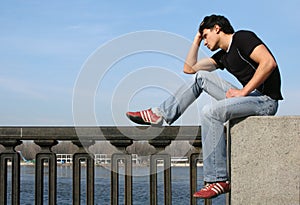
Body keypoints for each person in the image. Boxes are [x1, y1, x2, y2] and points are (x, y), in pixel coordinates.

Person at [126, 14, 283, 199]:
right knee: (201, 77)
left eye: (205, 35)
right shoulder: (223, 56)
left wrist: (243, 92)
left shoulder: (243, 37)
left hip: (265, 101)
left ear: (217, 28)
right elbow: (189, 69)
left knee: (210, 112)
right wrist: (197, 39)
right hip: (250, 96)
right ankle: (160, 114)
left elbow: (268, 63)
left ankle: (218, 179)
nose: (205, 41)